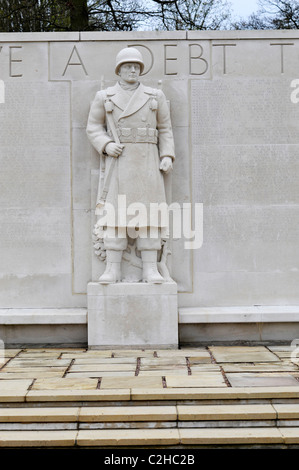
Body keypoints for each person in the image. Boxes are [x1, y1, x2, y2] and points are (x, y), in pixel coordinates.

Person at [86, 47, 175, 284]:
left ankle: (150, 269)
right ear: (119, 69)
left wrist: (167, 155)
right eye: (127, 66)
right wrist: (106, 145)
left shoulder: (155, 96)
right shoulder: (105, 97)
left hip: (147, 161)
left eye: (136, 66)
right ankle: (113, 269)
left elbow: (165, 129)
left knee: (149, 217)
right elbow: (93, 127)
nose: (132, 70)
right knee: (116, 216)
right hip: (120, 161)